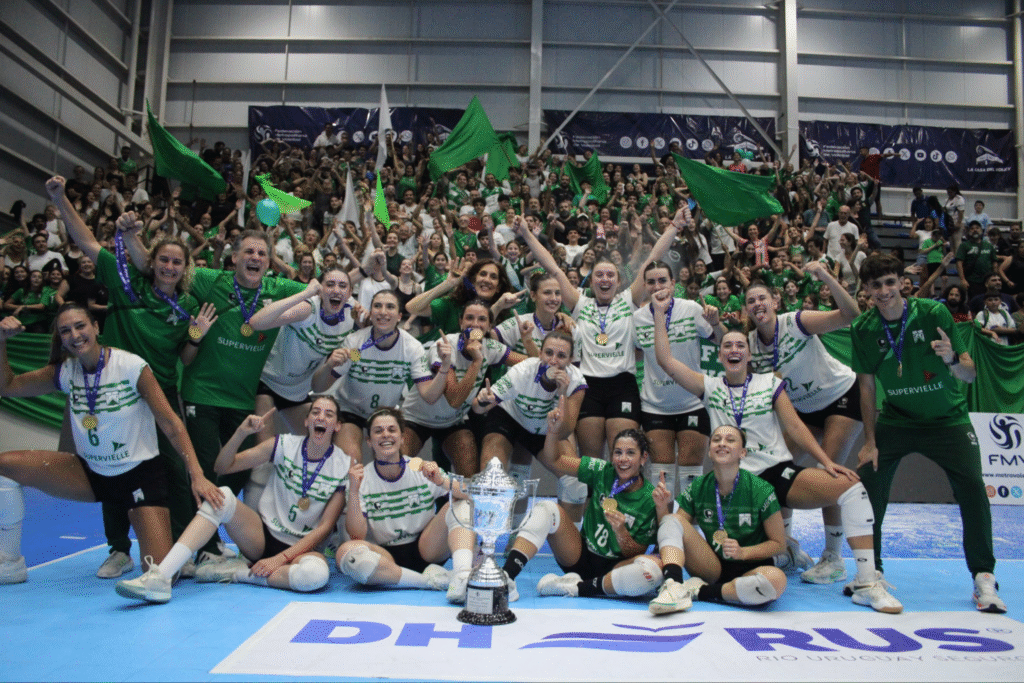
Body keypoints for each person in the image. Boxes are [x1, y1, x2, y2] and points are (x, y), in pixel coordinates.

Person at [650, 290, 901, 613]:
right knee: (678, 521)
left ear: (749, 355)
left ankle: (866, 582)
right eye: (728, 346)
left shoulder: (769, 383)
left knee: (851, 488)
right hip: (733, 481)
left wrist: (826, 462)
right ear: (720, 354)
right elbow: (666, 361)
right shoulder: (709, 386)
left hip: (774, 473)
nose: (734, 350)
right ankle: (684, 580)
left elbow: (795, 427)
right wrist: (660, 313)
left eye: (740, 346)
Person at [49, 176, 217, 579]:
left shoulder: (188, 304)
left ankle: (182, 550)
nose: (170, 267)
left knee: (177, 471)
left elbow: (185, 356)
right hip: (114, 393)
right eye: (164, 260)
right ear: (152, 262)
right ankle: (119, 549)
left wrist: (196, 336)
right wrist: (59, 197)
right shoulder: (126, 283)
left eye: (177, 262)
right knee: (111, 468)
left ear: (185, 268)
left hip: (160, 393)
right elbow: (87, 241)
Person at [0, 305, 222, 586]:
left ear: (95, 327)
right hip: (92, 473)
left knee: (161, 574)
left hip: (139, 475)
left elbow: (171, 423)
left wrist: (197, 475)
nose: (74, 335)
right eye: (65, 330)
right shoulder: (65, 371)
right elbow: (7, 386)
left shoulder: (131, 366)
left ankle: (167, 551)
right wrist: (1, 341)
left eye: (80, 326)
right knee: (5, 466)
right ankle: (9, 563)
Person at [852, 253, 1006, 613]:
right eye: (876, 285)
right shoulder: (863, 328)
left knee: (973, 487)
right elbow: (867, 388)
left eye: (890, 282)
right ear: (867, 290)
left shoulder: (934, 313)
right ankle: (871, 572)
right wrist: (870, 442)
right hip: (897, 419)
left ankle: (984, 577)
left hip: (948, 420)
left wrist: (952, 358)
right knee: (868, 481)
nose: (884, 291)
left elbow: (969, 373)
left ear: (901, 282)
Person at [115, 396, 348, 603]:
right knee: (223, 495)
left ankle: (240, 574)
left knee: (315, 576)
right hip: (262, 537)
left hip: (303, 549)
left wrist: (280, 559)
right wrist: (241, 433)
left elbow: (325, 528)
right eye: (315, 412)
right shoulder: (284, 445)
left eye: (329, 414)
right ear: (307, 421)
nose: (321, 417)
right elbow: (223, 466)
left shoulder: (343, 466)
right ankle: (160, 577)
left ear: (337, 425)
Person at [515, 214, 678, 492]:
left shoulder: (628, 300)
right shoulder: (580, 303)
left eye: (610, 275)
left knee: (623, 457)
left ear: (618, 281)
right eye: (599, 275)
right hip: (588, 387)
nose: (605, 279)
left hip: (622, 386)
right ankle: (596, 512)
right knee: (591, 462)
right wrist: (527, 235)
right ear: (591, 281)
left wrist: (674, 226)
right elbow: (552, 267)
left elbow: (652, 258)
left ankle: (622, 511)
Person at [745, 261, 867, 583]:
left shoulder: (796, 322)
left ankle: (834, 558)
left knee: (830, 472)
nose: (757, 304)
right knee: (775, 467)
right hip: (803, 410)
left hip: (840, 396)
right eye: (751, 301)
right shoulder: (751, 343)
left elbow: (851, 315)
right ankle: (785, 546)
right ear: (746, 309)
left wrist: (826, 276)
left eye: (762, 298)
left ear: (775, 300)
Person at [472, 396, 662, 602]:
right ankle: (506, 577)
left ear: (643, 458)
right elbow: (555, 460)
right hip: (580, 556)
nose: (623, 459)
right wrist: (553, 433)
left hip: (616, 569)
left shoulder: (649, 498)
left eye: (630, 453)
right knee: (547, 508)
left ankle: (575, 587)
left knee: (652, 570)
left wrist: (621, 532)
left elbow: (636, 550)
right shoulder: (601, 470)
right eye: (618, 452)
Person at [648, 425, 787, 613]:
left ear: (743, 453)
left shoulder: (761, 489)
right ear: (709, 452)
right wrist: (662, 507)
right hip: (712, 567)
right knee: (671, 519)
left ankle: (701, 592)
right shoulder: (698, 487)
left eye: (730, 440)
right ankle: (673, 586)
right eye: (716, 440)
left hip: (753, 567)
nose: (722, 443)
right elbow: (673, 531)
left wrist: (742, 552)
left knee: (775, 581)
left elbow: (779, 544)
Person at [336, 408, 474, 592]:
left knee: (461, 503)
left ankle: (462, 576)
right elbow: (357, 535)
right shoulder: (361, 478)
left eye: (392, 429)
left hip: (428, 548)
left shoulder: (421, 468)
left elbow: (471, 494)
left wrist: (441, 481)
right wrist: (353, 490)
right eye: (378, 431)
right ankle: (428, 581)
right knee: (346, 552)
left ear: (402, 438)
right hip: (386, 557)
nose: (386, 434)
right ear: (369, 441)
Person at [310, 289, 452, 460]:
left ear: (399, 316)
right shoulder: (356, 346)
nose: (383, 312)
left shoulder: (411, 348)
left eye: (390, 307)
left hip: (385, 414)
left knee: (393, 462)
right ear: (371, 313)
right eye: (377, 306)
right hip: (350, 410)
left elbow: (429, 396)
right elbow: (317, 387)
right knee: (351, 459)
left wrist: (445, 367)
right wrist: (329, 365)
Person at [401, 300, 527, 476]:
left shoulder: (491, 347)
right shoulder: (445, 346)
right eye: (469, 318)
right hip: (417, 418)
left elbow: (531, 364)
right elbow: (454, 400)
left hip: (452, 421)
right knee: (397, 464)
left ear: (489, 326)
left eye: (482, 319)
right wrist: (477, 362)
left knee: (470, 475)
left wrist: (529, 340)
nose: (475, 324)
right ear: (461, 322)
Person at [633, 260, 725, 500]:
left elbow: (721, 341)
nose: (657, 286)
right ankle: (665, 524)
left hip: (692, 403)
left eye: (662, 280)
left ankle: (687, 524)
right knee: (661, 478)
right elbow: (625, 350)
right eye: (651, 282)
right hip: (656, 406)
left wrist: (716, 323)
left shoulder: (691, 309)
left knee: (690, 478)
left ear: (673, 284)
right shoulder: (637, 318)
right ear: (645, 286)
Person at [473, 330, 587, 506]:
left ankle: (566, 523)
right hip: (510, 418)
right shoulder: (523, 370)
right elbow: (477, 409)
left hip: (545, 429)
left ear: (571, 360)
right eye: (548, 353)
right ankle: (494, 522)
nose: (553, 361)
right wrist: (482, 400)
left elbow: (565, 432)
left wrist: (562, 394)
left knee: (576, 483)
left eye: (561, 356)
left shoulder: (576, 382)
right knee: (492, 474)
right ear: (539, 354)